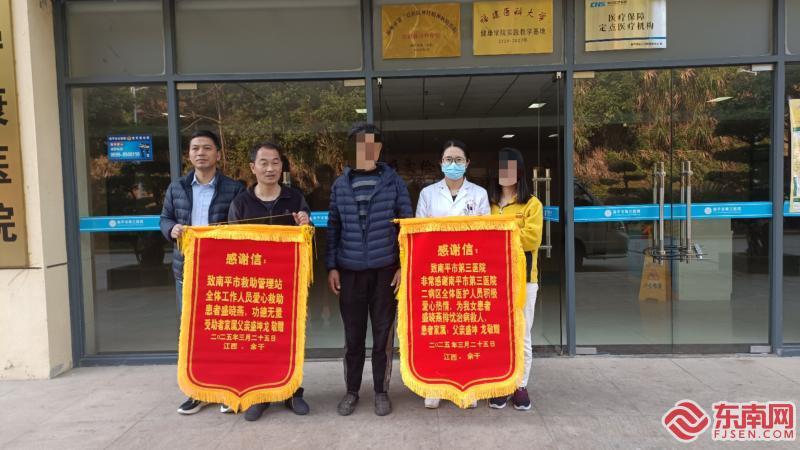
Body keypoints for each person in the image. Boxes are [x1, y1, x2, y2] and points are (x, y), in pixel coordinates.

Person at [327, 123, 413, 417]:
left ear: (378, 149)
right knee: (353, 337)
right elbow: (334, 228)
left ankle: (381, 391)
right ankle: (351, 391)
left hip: (385, 271)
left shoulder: (394, 183)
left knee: (382, 336)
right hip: (349, 271)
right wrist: (332, 266)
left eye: (371, 144)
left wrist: (403, 265)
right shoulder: (340, 185)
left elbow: (406, 226)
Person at [159, 129, 244, 415]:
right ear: (189, 154)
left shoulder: (234, 188)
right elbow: (165, 218)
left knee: (224, 330)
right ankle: (197, 392)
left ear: (218, 154)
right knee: (193, 333)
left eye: (207, 148)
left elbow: (241, 226)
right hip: (187, 271)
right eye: (195, 148)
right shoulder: (177, 188)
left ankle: (225, 389)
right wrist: (171, 229)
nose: (200, 153)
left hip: (221, 272)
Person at [228, 141, 311, 421]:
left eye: (275, 162)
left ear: (282, 166)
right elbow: (232, 245)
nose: (270, 168)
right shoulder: (241, 203)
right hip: (254, 287)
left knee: (291, 339)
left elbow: (308, 238)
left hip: (289, 284)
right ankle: (260, 395)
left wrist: (305, 224)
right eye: (263, 163)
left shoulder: (295, 198)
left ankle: (292, 392)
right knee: (258, 341)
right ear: (253, 167)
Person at [415, 139, 489, 409]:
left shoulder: (479, 194)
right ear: (441, 163)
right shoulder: (428, 194)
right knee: (438, 332)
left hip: (468, 273)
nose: (453, 164)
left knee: (467, 333)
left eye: (458, 160)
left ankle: (468, 386)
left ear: (467, 163)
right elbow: (419, 233)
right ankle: (435, 385)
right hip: (438, 273)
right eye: (448, 159)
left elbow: (486, 234)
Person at [487, 148, 542, 411]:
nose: (505, 172)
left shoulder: (532, 204)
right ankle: (502, 384)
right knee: (499, 334)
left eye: (510, 167)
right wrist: (511, 230)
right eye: (501, 167)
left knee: (522, 334)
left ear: (519, 171)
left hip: (524, 280)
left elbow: (532, 239)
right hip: (494, 279)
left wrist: (500, 232)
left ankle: (520, 385)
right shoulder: (489, 203)